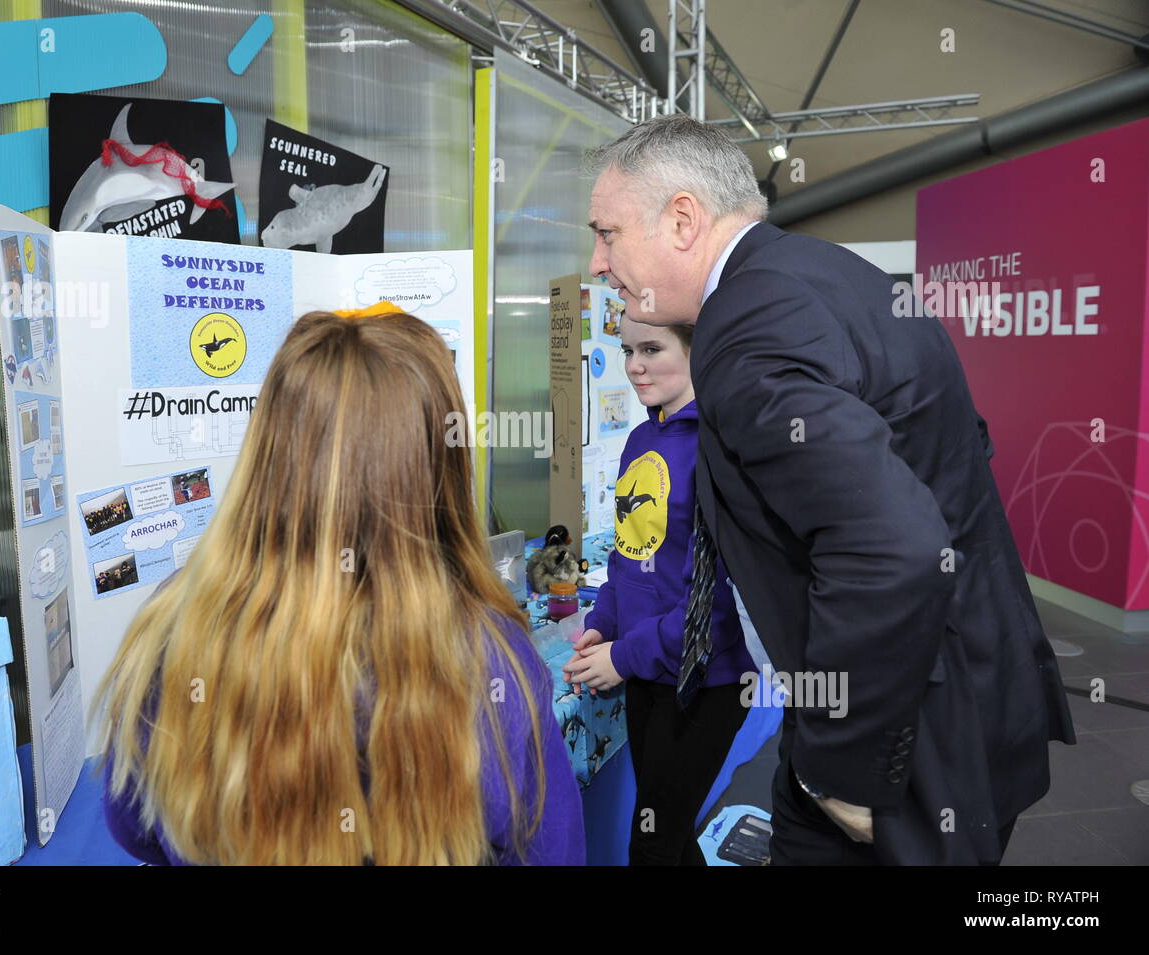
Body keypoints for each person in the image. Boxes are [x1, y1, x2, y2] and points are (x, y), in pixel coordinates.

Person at [583, 114, 1076, 865]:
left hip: (897, 740)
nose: (596, 262)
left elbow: (895, 543)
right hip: (964, 693)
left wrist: (839, 768)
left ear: (682, 219)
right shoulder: (830, 277)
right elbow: (958, 451)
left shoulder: (745, 329)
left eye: (608, 233)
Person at [93, 310, 585, 865]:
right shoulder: (490, 655)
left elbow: (134, 823)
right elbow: (549, 851)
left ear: (269, 448)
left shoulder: (177, 622)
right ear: (438, 462)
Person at [563, 314, 754, 866]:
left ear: (698, 350)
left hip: (707, 681)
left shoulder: (720, 449)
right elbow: (629, 554)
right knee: (665, 834)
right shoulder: (641, 438)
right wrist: (603, 623)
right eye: (627, 351)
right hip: (648, 673)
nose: (634, 366)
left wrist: (622, 654)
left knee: (651, 844)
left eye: (652, 349)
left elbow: (716, 605)